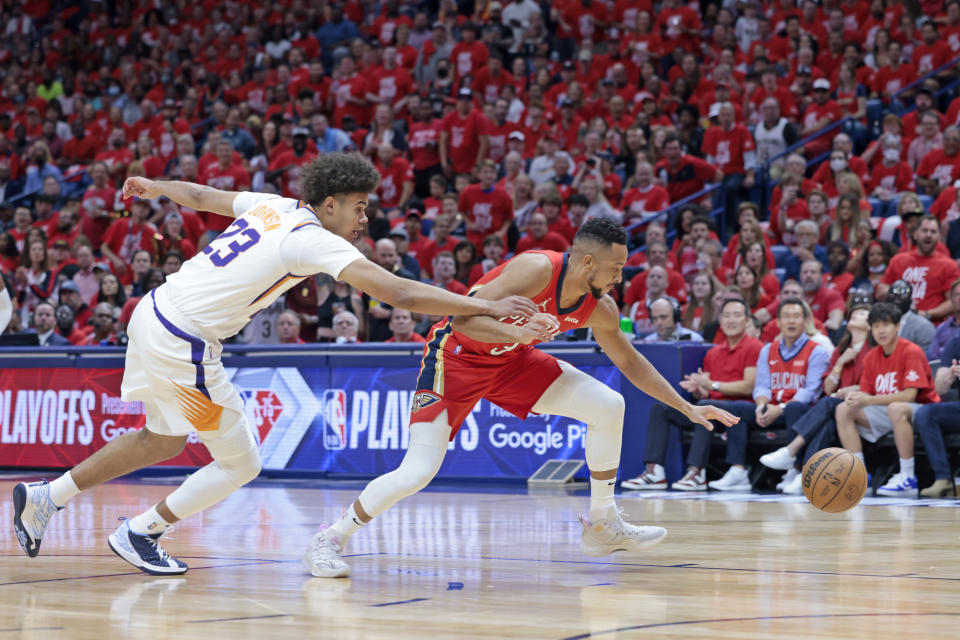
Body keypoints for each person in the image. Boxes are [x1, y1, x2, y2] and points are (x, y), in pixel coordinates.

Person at [14, 153, 535, 574]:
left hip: (152, 315)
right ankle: (140, 531)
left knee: (164, 439)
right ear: (329, 204)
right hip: (183, 341)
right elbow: (395, 290)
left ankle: (47, 497)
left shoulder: (273, 205)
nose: (364, 217)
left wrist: (155, 185)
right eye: (358, 206)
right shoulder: (309, 238)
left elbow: (200, 196)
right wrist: (484, 304)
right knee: (242, 463)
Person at [304, 220, 739, 577]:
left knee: (609, 405)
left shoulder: (599, 306)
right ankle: (331, 537)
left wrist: (687, 406)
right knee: (417, 471)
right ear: (588, 261)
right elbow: (459, 319)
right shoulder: (536, 269)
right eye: (616, 267)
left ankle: (602, 523)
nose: (620, 277)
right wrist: (516, 332)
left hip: (511, 363)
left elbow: (630, 361)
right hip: (453, 359)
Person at [624, 298, 762, 491]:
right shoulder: (713, 352)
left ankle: (696, 473)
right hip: (715, 408)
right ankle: (655, 472)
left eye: (737, 315)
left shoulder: (755, 347)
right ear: (720, 321)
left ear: (747, 321)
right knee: (662, 409)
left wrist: (712, 385)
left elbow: (748, 386)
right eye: (727, 315)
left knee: (708, 408)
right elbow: (708, 391)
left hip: (741, 410)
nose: (731, 320)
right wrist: (699, 390)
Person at [695, 297, 832, 491]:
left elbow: (811, 391)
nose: (791, 321)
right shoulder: (768, 349)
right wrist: (761, 406)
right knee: (738, 408)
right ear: (777, 322)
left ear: (806, 321)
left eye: (796, 317)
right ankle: (738, 471)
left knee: (794, 406)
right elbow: (761, 386)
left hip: (800, 411)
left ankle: (795, 469)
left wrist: (780, 408)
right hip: (771, 408)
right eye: (786, 316)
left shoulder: (816, 351)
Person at [759, 302, 874, 494]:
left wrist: (850, 389)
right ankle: (806, 473)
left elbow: (874, 385)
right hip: (840, 408)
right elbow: (828, 388)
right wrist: (840, 363)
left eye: (862, 313)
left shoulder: (873, 350)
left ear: (871, 324)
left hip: (863, 406)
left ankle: (791, 452)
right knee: (827, 419)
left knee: (827, 404)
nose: (855, 314)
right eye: (853, 312)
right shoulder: (840, 350)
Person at [836, 303, 939, 497]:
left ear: (898, 326)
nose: (880, 330)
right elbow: (867, 395)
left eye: (886, 324)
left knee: (896, 408)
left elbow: (910, 395)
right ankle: (859, 475)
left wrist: (868, 400)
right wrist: (855, 397)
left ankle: (908, 477)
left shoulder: (911, 351)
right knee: (843, 409)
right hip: (888, 410)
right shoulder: (871, 357)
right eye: (875, 326)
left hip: (922, 412)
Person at [879, 216, 960, 322]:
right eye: (924, 230)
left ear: (939, 237)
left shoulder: (949, 265)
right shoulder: (898, 260)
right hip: (898, 321)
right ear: (915, 234)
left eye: (933, 231)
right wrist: (901, 294)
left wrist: (926, 314)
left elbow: (954, 300)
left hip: (931, 324)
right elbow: (880, 292)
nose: (928, 235)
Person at [914, 336, 960, 498]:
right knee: (926, 413)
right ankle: (943, 479)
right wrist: (947, 377)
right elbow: (939, 389)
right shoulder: (955, 343)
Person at [886, 280, 935, 354]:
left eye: (902, 294)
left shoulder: (924, 326)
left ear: (910, 299)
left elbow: (923, 360)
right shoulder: (878, 322)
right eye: (893, 294)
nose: (897, 298)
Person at [928, 278, 960, 361]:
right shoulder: (941, 328)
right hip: (940, 370)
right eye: (956, 295)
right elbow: (932, 358)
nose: (959, 298)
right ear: (951, 300)